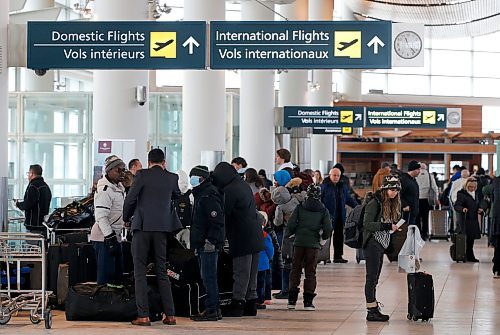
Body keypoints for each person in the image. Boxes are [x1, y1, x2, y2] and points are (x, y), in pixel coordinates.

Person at [123, 148, 181, 327]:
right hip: (162, 229)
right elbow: (177, 195)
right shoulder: (172, 177)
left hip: (142, 227)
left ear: (148, 162)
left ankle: (144, 316)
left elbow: (131, 199)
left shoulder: (141, 175)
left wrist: (126, 218)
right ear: (164, 162)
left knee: (139, 271)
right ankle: (170, 315)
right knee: (162, 270)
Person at [211, 162, 265, 317]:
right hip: (255, 234)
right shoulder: (242, 184)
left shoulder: (230, 190)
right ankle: (250, 305)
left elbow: (224, 214)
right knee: (251, 273)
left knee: (241, 272)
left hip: (242, 235)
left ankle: (237, 304)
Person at [286, 184, 332, 311]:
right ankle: (308, 302)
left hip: (299, 243)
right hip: (313, 245)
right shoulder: (323, 210)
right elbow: (328, 228)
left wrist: (290, 235)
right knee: (310, 272)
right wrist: (322, 240)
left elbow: (291, 224)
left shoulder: (300, 208)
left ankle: (291, 301)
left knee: (295, 271)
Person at [362, 175, 401, 321]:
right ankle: (371, 310)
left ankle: (372, 307)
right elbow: (367, 224)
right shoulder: (374, 203)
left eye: (396, 190)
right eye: (391, 189)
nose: (394, 192)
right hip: (372, 243)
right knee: (371, 278)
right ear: (384, 189)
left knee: (375, 277)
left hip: (381, 243)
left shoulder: (391, 204)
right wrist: (387, 226)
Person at [188, 165, 225, 321]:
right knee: (207, 277)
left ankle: (212, 309)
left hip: (208, 243)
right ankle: (213, 309)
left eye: (193, 177)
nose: (192, 181)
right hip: (202, 242)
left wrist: (210, 241)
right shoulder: (201, 193)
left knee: (209, 277)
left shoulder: (208, 195)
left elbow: (216, 220)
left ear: (201, 178)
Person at [90, 155, 126, 285]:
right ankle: (103, 303)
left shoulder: (119, 188)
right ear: (108, 171)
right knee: (106, 278)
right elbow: (101, 217)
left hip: (114, 236)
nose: (122, 173)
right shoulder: (105, 190)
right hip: (103, 237)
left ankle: (114, 304)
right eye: (118, 170)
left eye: (123, 170)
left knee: (117, 277)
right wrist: (110, 238)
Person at [320, 167, 358, 263]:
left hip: (340, 215)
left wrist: (358, 207)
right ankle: (325, 256)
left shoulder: (343, 186)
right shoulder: (324, 186)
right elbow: (319, 201)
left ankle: (338, 256)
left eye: (338, 175)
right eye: (334, 175)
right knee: (326, 236)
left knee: (339, 236)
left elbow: (349, 199)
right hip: (327, 216)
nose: (336, 177)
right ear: (330, 175)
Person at [15, 164, 52, 236]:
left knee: (32, 246)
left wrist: (18, 204)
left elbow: (28, 203)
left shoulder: (33, 186)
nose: (28, 175)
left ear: (32, 174)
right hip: (43, 224)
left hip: (34, 226)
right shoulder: (45, 186)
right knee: (41, 246)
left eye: (28, 173)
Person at [454, 177, 482, 262]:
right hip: (465, 220)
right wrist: (462, 209)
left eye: (474, 187)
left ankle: (470, 256)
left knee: (471, 239)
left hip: (473, 219)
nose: (472, 189)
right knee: (465, 238)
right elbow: (457, 206)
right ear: (466, 186)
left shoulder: (476, 194)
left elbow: (476, 204)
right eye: (470, 187)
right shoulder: (461, 194)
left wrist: (480, 209)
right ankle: (463, 255)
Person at [415, 163, 439, 240]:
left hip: (417, 198)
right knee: (425, 218)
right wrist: (436, 198)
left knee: (417, 217)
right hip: (426, 199)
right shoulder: (429, 175)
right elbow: (434, 187)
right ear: (426, 168)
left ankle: (418, 234)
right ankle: (425, 234)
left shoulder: (416, 175)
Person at [256, 211, 274, 310]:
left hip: (252, 263)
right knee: (261, 283)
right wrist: (270, 258)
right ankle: (261, 300)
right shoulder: (265, 235)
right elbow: (270, 249)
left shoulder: (250, 233)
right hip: (263, 264)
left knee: (254, 283)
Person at [400, 160, 421, 226]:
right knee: (404, 233)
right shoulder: (404, 180)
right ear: (413, 169)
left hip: (413, 212)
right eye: (418, 169)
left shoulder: (413, 180)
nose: (419, 171)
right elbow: (398, 194)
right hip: (406, 213)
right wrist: (404, 205)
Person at [490, 176, 500, 277]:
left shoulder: (496, 181)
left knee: (498, 246)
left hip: (498, 218)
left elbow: (493, 199)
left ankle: (497, 269)